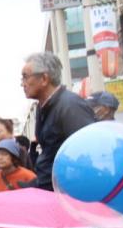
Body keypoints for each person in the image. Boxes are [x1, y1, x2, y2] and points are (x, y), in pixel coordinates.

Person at [22, 52, 95, 189]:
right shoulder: (41, 108)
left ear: (44, 79)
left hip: (67, 191)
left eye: (25, 77)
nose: (22, 84)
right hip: (49, 186)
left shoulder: (71, 106)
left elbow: (87, 154)